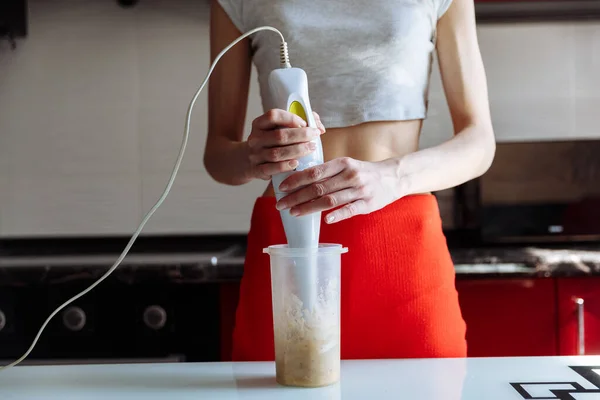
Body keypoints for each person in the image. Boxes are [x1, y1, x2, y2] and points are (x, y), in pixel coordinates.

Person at [205, 0, 496, 361]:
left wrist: (394, 175)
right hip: (289, 245)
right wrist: (254, 155)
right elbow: (217, 156)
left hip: (402, 245)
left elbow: (479, 142)